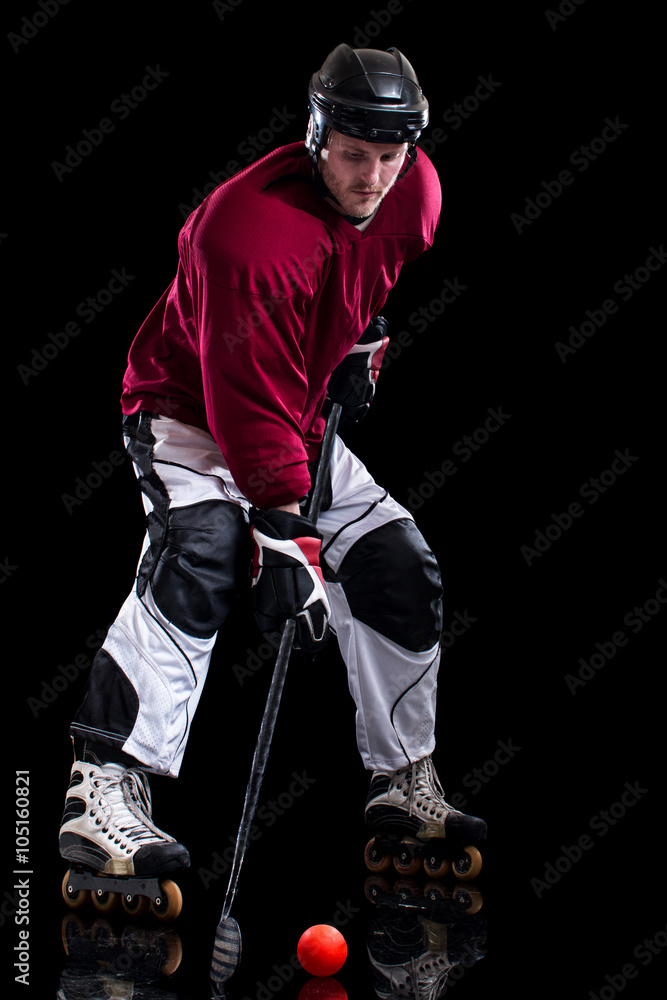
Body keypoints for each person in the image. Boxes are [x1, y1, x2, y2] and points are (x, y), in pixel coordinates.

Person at [59, 43, 486, 893]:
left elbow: (364, 278)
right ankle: (100, 786)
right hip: (189, 412)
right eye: (353, 156)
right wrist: (286, 536)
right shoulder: (245, 233)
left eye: (389, 157)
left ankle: (402, 783)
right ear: (317, 136)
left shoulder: (415, 195)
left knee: (397, 563)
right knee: (207, 549)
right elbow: (242, 403)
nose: (372, 177)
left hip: (286, 414)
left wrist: (356, 343)